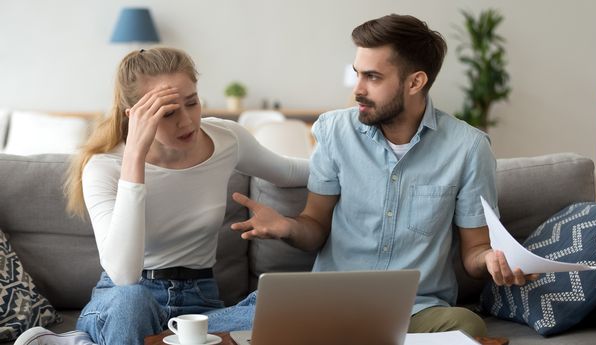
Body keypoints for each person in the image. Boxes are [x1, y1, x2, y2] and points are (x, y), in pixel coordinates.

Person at [207, 14, 536, 337]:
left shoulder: (468, 148)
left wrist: (492, 259)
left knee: (467, 326)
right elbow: (315, 226)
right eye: (357, 74)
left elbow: (474, 251)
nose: (358, 89)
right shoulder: (335, 132)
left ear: (415, 82)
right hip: (329, 305)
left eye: (373, 77)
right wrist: (288, 228)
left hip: (416, 310)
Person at [14, 47, 308, 345]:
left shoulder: (226, 139)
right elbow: (124, 275)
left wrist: (348, 153)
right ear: (135, 116)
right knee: (132, 302)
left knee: (290, 305)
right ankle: (180, 340)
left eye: (192, 103)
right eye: (167, 113)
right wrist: (134, 157)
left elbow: (292, 172)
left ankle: (150, 340)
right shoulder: (105, 167)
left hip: (200, 304)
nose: (187, 121)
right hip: (124, 301)